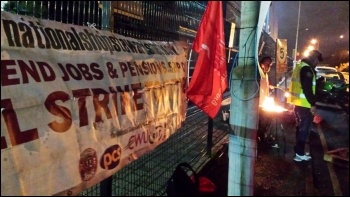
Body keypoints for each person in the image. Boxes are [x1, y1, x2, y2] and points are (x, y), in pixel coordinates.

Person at [287, 50, 323, 162]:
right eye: (317, 60)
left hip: (298, 104)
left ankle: (299, 150)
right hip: (305, 105)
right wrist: (313, 104)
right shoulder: (307, 69)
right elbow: (307, 88)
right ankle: (299, 154)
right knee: (304, 130)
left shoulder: (301, 66)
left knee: (300, 128)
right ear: (314, 58)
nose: (317, 63)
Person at [257, 56, 275, 148]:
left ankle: (261, 138)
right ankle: (259, 140)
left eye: (270, 65)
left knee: (264, 123)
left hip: (263, 103)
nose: (269, 67)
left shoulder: (265, 74)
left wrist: (269, 86)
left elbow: (264, 86)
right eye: (268, 64)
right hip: (257, 104)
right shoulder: (258, 73)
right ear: (262, 64)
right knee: (260, 123)